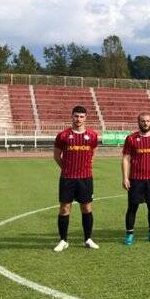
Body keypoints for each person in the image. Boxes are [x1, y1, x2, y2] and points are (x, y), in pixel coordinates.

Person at [53, 105, 99, 252]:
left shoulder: (92, 135)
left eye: (81, 116)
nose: (78, 119)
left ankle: (88, 238)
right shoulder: (63, 136)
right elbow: (56, 156)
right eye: (76, 116)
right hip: (67, 178)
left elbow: (93, 155)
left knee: (86, 208)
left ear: (85, 118)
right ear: (71, 117)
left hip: (85, 179)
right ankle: (63, 240)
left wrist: (84, 169)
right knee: (64, 208)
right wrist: (67, 169)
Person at [121, 113, 150, 245]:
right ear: (138, 122)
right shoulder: (131, 138)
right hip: (136, 179)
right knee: (132, 207)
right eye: (142, 121)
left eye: (147, 121)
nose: (145, 123)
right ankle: (129, 234)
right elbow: (126, 158)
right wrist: (125, 178)